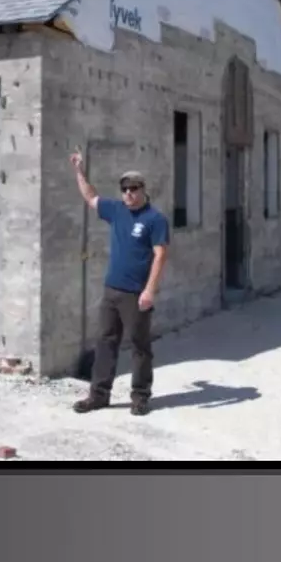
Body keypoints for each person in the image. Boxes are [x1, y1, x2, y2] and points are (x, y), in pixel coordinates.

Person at [69, 154, 169, 416]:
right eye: (124, 189)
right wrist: (79, 171)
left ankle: (140, 397)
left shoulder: (154, 219)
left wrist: (150, 290)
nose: (128, 194)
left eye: (133, 189)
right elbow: (91, 197)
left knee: (140, 346)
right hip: (112, 290)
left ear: (142, 189)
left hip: (137, 294)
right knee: (105, 342)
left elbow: (160, 255)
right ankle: (98, 396)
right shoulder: (116, 210)